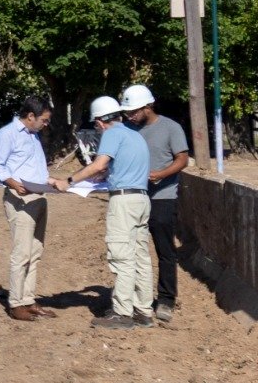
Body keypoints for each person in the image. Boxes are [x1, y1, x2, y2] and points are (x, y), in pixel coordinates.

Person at [69, 96, 153, 330]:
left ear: (99, 121)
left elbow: (98, 164)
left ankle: (122, 313)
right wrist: (107, 175)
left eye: (96, 125)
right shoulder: (134, 135)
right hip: (141, 199)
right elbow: (123, 167)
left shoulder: (112, 134)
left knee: (122, 257)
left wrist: (69, 181)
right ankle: (143, 310)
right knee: (140, 257)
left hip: (123, 202)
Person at [0, 97, 66, 322]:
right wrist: (13, 184)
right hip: (20, 199)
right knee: (22, 253)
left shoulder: (33, 135)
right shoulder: (7, 134)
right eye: (44, 120)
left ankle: (28, 299)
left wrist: (51, 181)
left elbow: (33, 169)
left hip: (39, 196)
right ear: (31, 116)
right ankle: (15, 304)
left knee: (35, 251)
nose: (46, 124)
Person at [121, 84, 189, 323]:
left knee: (165, 250)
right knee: (130, 250)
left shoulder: (171, 128)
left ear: (148, 107)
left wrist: (161, 174)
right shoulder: (127, 130)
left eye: (133, 111)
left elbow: (182, 159)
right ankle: (133, 297)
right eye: (128, 112)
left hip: (162, 197)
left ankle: (166, 299)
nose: (130, 116)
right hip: (134, 197)